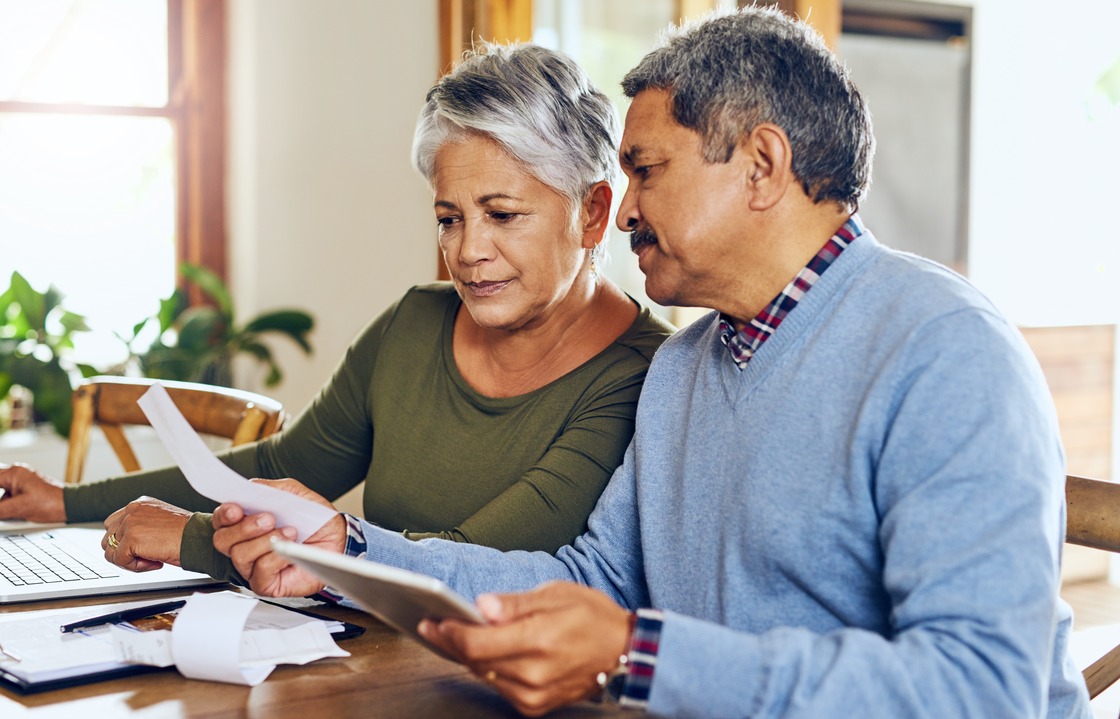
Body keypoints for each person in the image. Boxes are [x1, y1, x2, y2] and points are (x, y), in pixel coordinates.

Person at [208, 7, 1092, 718]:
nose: (620, 209)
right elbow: (592, 579)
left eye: (645, 169)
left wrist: (639, 655)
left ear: (761, 166)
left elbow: (983, 690)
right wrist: (352, 548)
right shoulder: (687, 367)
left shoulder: (944, 350)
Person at [0, 43, 674, 582]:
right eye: (449, 217)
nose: (468, 251)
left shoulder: (643, 376)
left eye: (502, 215)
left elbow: (476, 561)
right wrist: (61, 500)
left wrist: (191, 538)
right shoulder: (416, 323)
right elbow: (280, 462)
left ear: (592, 212)